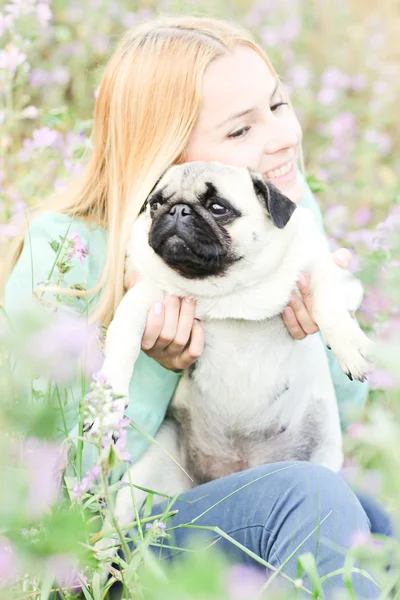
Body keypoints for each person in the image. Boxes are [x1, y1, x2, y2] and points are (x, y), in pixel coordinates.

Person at [1, 16, 392, 597]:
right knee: (316, 501)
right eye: (240, 131)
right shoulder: (66, 247)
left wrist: (323, 325)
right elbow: (43, 473)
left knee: (378, 528)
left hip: (256, 493)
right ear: (167, 150)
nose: (282, 136)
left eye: (278, 105)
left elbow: (342, 405)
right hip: (106, 542)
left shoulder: (275, 209)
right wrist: (159, 370)